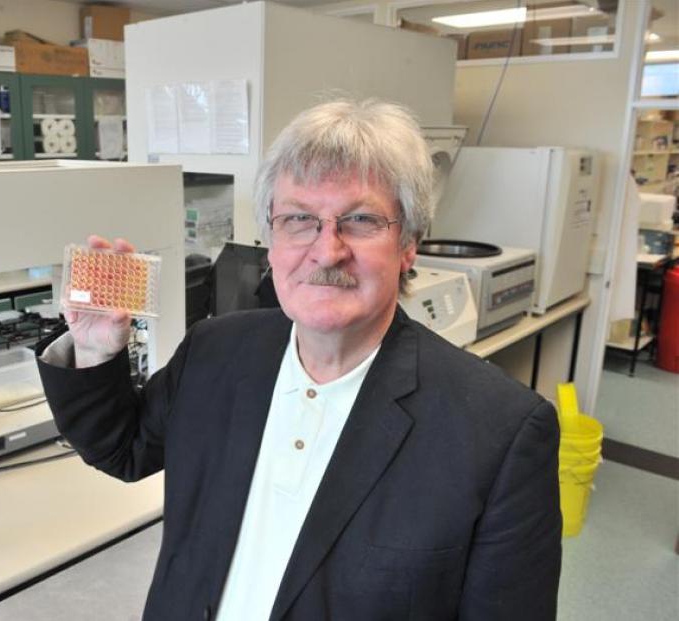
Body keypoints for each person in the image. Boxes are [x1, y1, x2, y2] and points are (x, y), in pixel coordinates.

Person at [38, 99, 561, 620]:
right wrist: (96, 346)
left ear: (408, 246)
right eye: (298, 219)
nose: (327, 250)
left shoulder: (501, 432)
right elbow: (122, 449)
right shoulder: (215, 351)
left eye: (359, 220)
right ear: (269, 240)